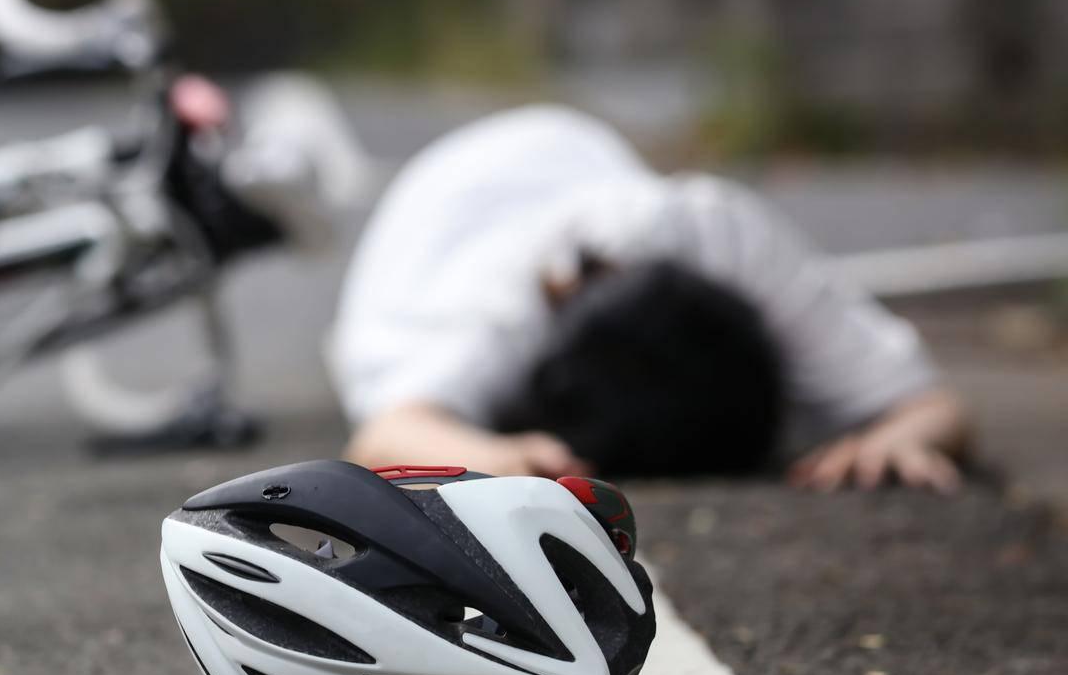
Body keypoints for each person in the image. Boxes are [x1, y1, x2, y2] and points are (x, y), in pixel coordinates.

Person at [328, 105, 969, 490]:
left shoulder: (719, 230)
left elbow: (937, 408)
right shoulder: (498, 304)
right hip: (431, 217)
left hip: (574, 153)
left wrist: (898, 438)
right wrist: (501, 457)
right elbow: (385, 436)